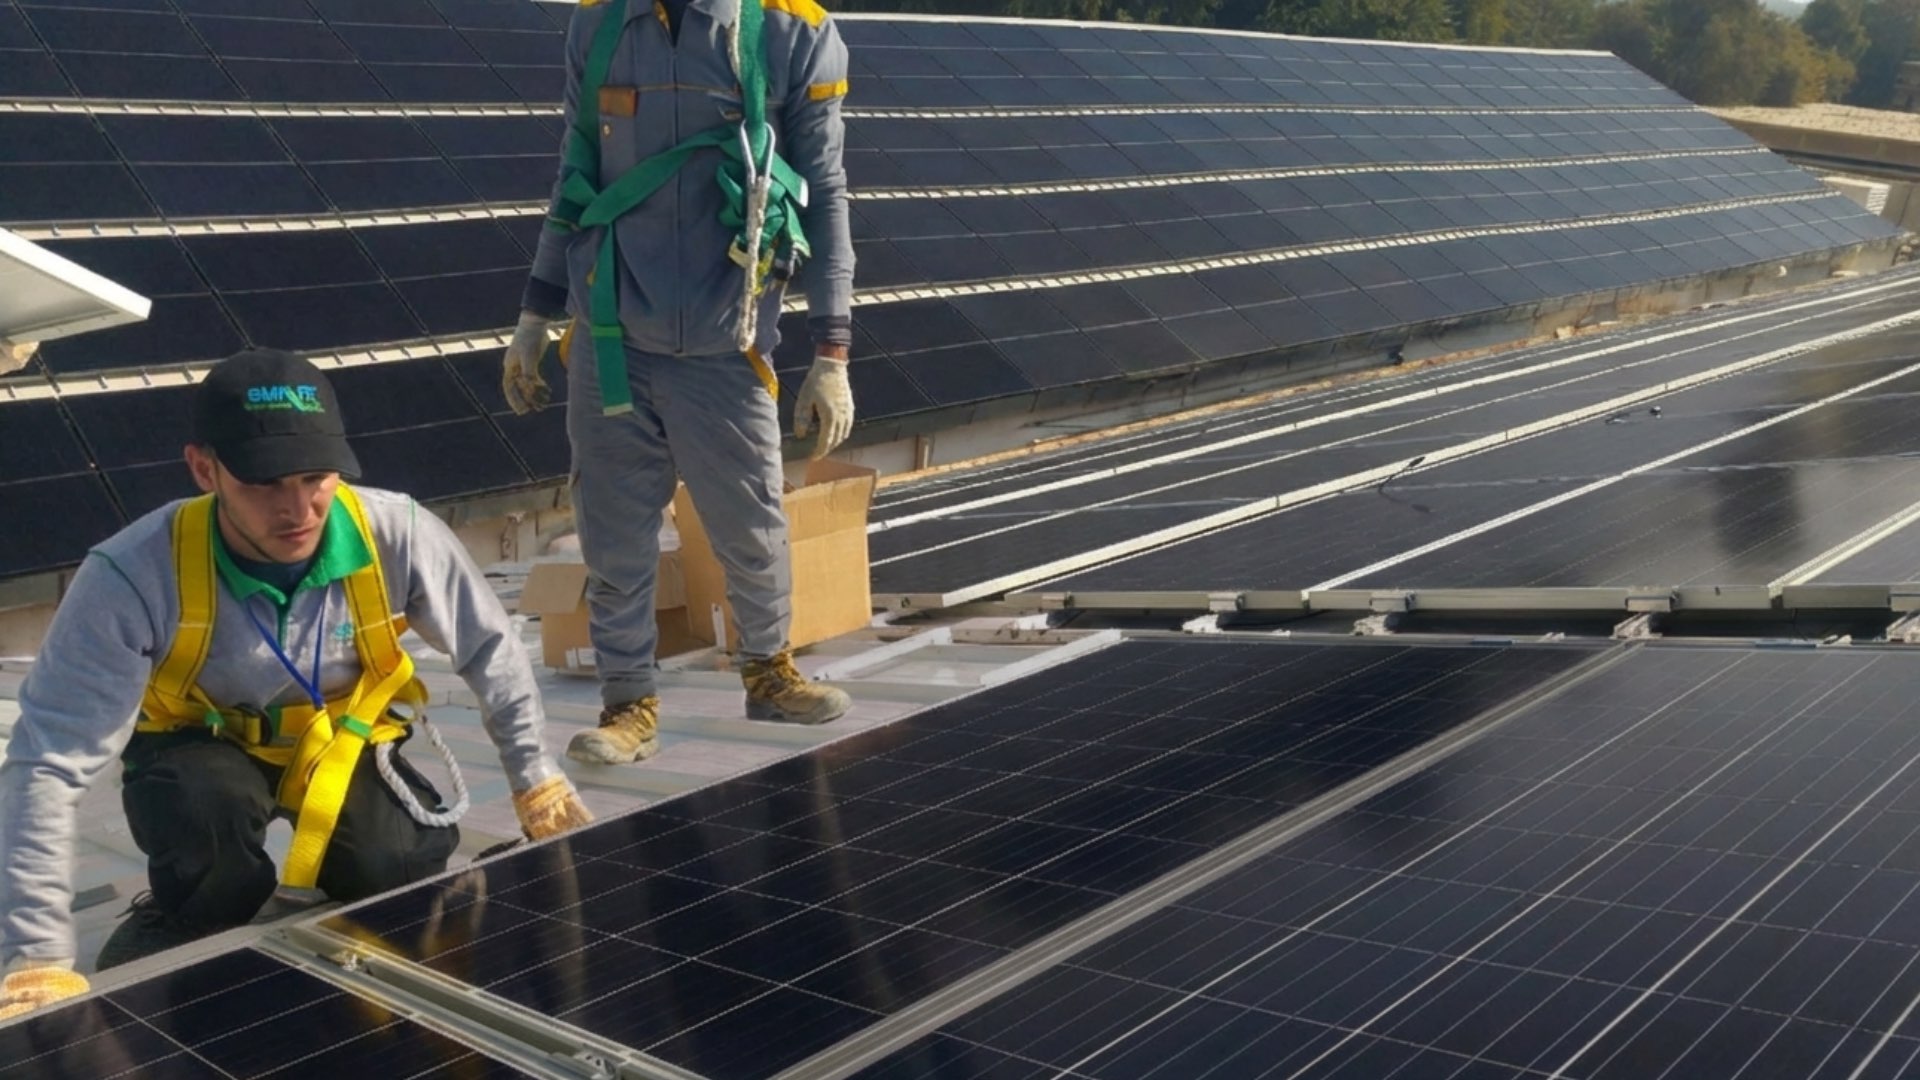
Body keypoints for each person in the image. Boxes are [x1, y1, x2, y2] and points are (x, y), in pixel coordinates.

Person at [0, 349, 593, 1021]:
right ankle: (194, 910)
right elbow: (47, 758)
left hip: (339, 742)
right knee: (205, 824)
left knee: (394, 870)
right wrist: (38, 954)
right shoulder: (132, 573)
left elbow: (492, 648)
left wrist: (534, 776)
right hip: (203, 745)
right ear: (205, 469)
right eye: (264, 483)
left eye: (316, 478)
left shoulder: (394, 532)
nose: (298, 508)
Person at [500, 0, 859, 765]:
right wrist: (535, 314)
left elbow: (824, 195)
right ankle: (627, 703)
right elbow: (575, 175)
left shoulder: (791, 32)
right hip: (611, 335)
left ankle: (768, 669)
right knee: (614, 537)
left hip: (726, 345)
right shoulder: (598, 28)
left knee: (751, 526)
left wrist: (833, 352)